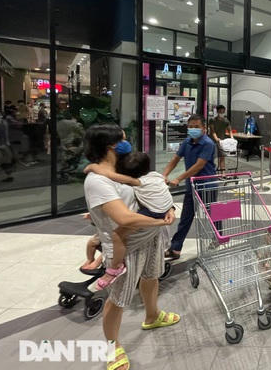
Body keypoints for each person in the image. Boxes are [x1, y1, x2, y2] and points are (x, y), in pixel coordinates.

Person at [83, 124, 178, 370]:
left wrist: (168, 207)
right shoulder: (97, 181)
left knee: (151, 277)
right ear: (110, 146)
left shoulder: (121, 168)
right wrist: (159, 220)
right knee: (118, 299)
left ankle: (152, 315)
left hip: (150, 237)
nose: (128, 143)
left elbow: (148, 189)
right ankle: (112, 347)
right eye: (123, 140)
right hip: (126, 245)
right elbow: (124, 219)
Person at [85, 151, 175, 289]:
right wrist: (170, 208)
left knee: (117, 236)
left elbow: (112, 176)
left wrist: (93, 168)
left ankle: (115, 267)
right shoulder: (157, 176)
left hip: (153, 213)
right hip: (165, 207)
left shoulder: (139, 182)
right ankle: (101, 262)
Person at [164, 114, 216, 260]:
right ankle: (175, 248)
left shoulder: (208, 143)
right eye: (191, 127)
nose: (193, 129)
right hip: (192, 186)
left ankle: (218, 236)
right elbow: (175, 159)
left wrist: (178, 178)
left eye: (196, 127)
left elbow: (199, 165)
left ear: (204, 128)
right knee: (185, 218)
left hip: (207, 185)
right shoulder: (187, 142)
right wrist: (164, 174)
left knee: (212, 214)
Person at [208, 105, 233, 173]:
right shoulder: (212, 120)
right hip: (212, 141)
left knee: (222, 157)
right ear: (217, 111)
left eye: (223, 111)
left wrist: (232, 138)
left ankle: (223, 173)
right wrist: (216, 139)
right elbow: (212, 131)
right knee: (212, 157)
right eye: (220, 111)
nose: (222, 113)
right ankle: (211, 172)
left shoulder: (226, 121)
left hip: (222, 142)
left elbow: (230, 130)